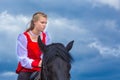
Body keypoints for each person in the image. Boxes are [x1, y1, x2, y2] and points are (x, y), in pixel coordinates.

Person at [16, 11, 51, 80]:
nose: (44, 25)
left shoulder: (46, 36)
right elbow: (22, 59)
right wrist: (37, 63)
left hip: (42, 68)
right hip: (27, 69)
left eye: (45, 23)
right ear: (34, 22)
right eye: (42, 22)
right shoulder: (23, 37)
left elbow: (47, 53)